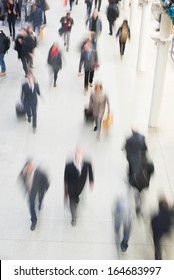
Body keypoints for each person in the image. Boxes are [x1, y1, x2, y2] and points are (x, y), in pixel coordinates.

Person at [64, 146, 94, 226]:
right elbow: (65, 178)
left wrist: (91, 181)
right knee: (72, 203)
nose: (79, 156)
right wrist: (65, 191)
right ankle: (74, 217)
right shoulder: (69, 165)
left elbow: (90, 172)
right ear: (75, 155)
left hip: (81, 186)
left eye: (81, 154)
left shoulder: (87, 164)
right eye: (78, 154)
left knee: (77, 198)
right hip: (71, 187)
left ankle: (77, 199)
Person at [19, 159, 50, 231]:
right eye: (27, 168)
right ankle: (34, 221)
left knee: (40, 199)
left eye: (30, 167)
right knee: (31, 205)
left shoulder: (40, 173)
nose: (28, 169)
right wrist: (26, 189)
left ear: (32, 167)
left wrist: (44, 189)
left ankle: (40, 204)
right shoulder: (23, 173)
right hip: (31, 192)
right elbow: (21, 179)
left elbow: (46, 181)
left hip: (40, 189)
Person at [129, 151, 154, 216]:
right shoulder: (150, 164)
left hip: (136, 183)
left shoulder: (135, 163)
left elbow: (130, 172)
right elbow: (152, 173)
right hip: (144, 183)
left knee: (136, 195)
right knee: (142, 195)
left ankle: (137, 206)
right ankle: (140, 206)